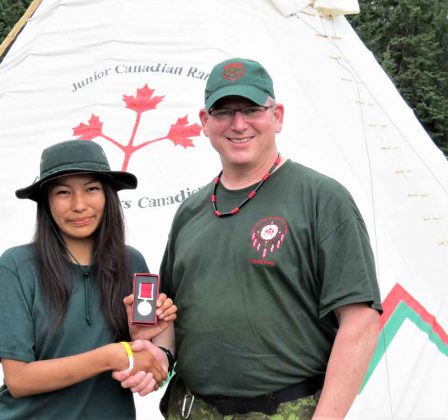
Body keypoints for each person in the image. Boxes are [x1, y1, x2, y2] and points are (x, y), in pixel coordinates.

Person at [151, 58, 382, 419]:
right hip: (193, 408)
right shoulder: (190, 212)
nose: (238, 124)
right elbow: (170, 315)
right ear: (204, 122)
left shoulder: (321, 198)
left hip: (287, 409)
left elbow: (360, 322)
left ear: (277, 116)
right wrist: (157, 354)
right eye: (224, 112)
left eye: (252, 109)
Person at [0, 139, 176, 419]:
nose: (79, 205)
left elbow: (142, 357)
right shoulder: (16, 267)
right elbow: (19, 380)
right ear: (46, 202)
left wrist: (145, 342)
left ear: (108, 196)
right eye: (63, 192)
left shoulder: (132, 263)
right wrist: (111, 356)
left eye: (91, 189)